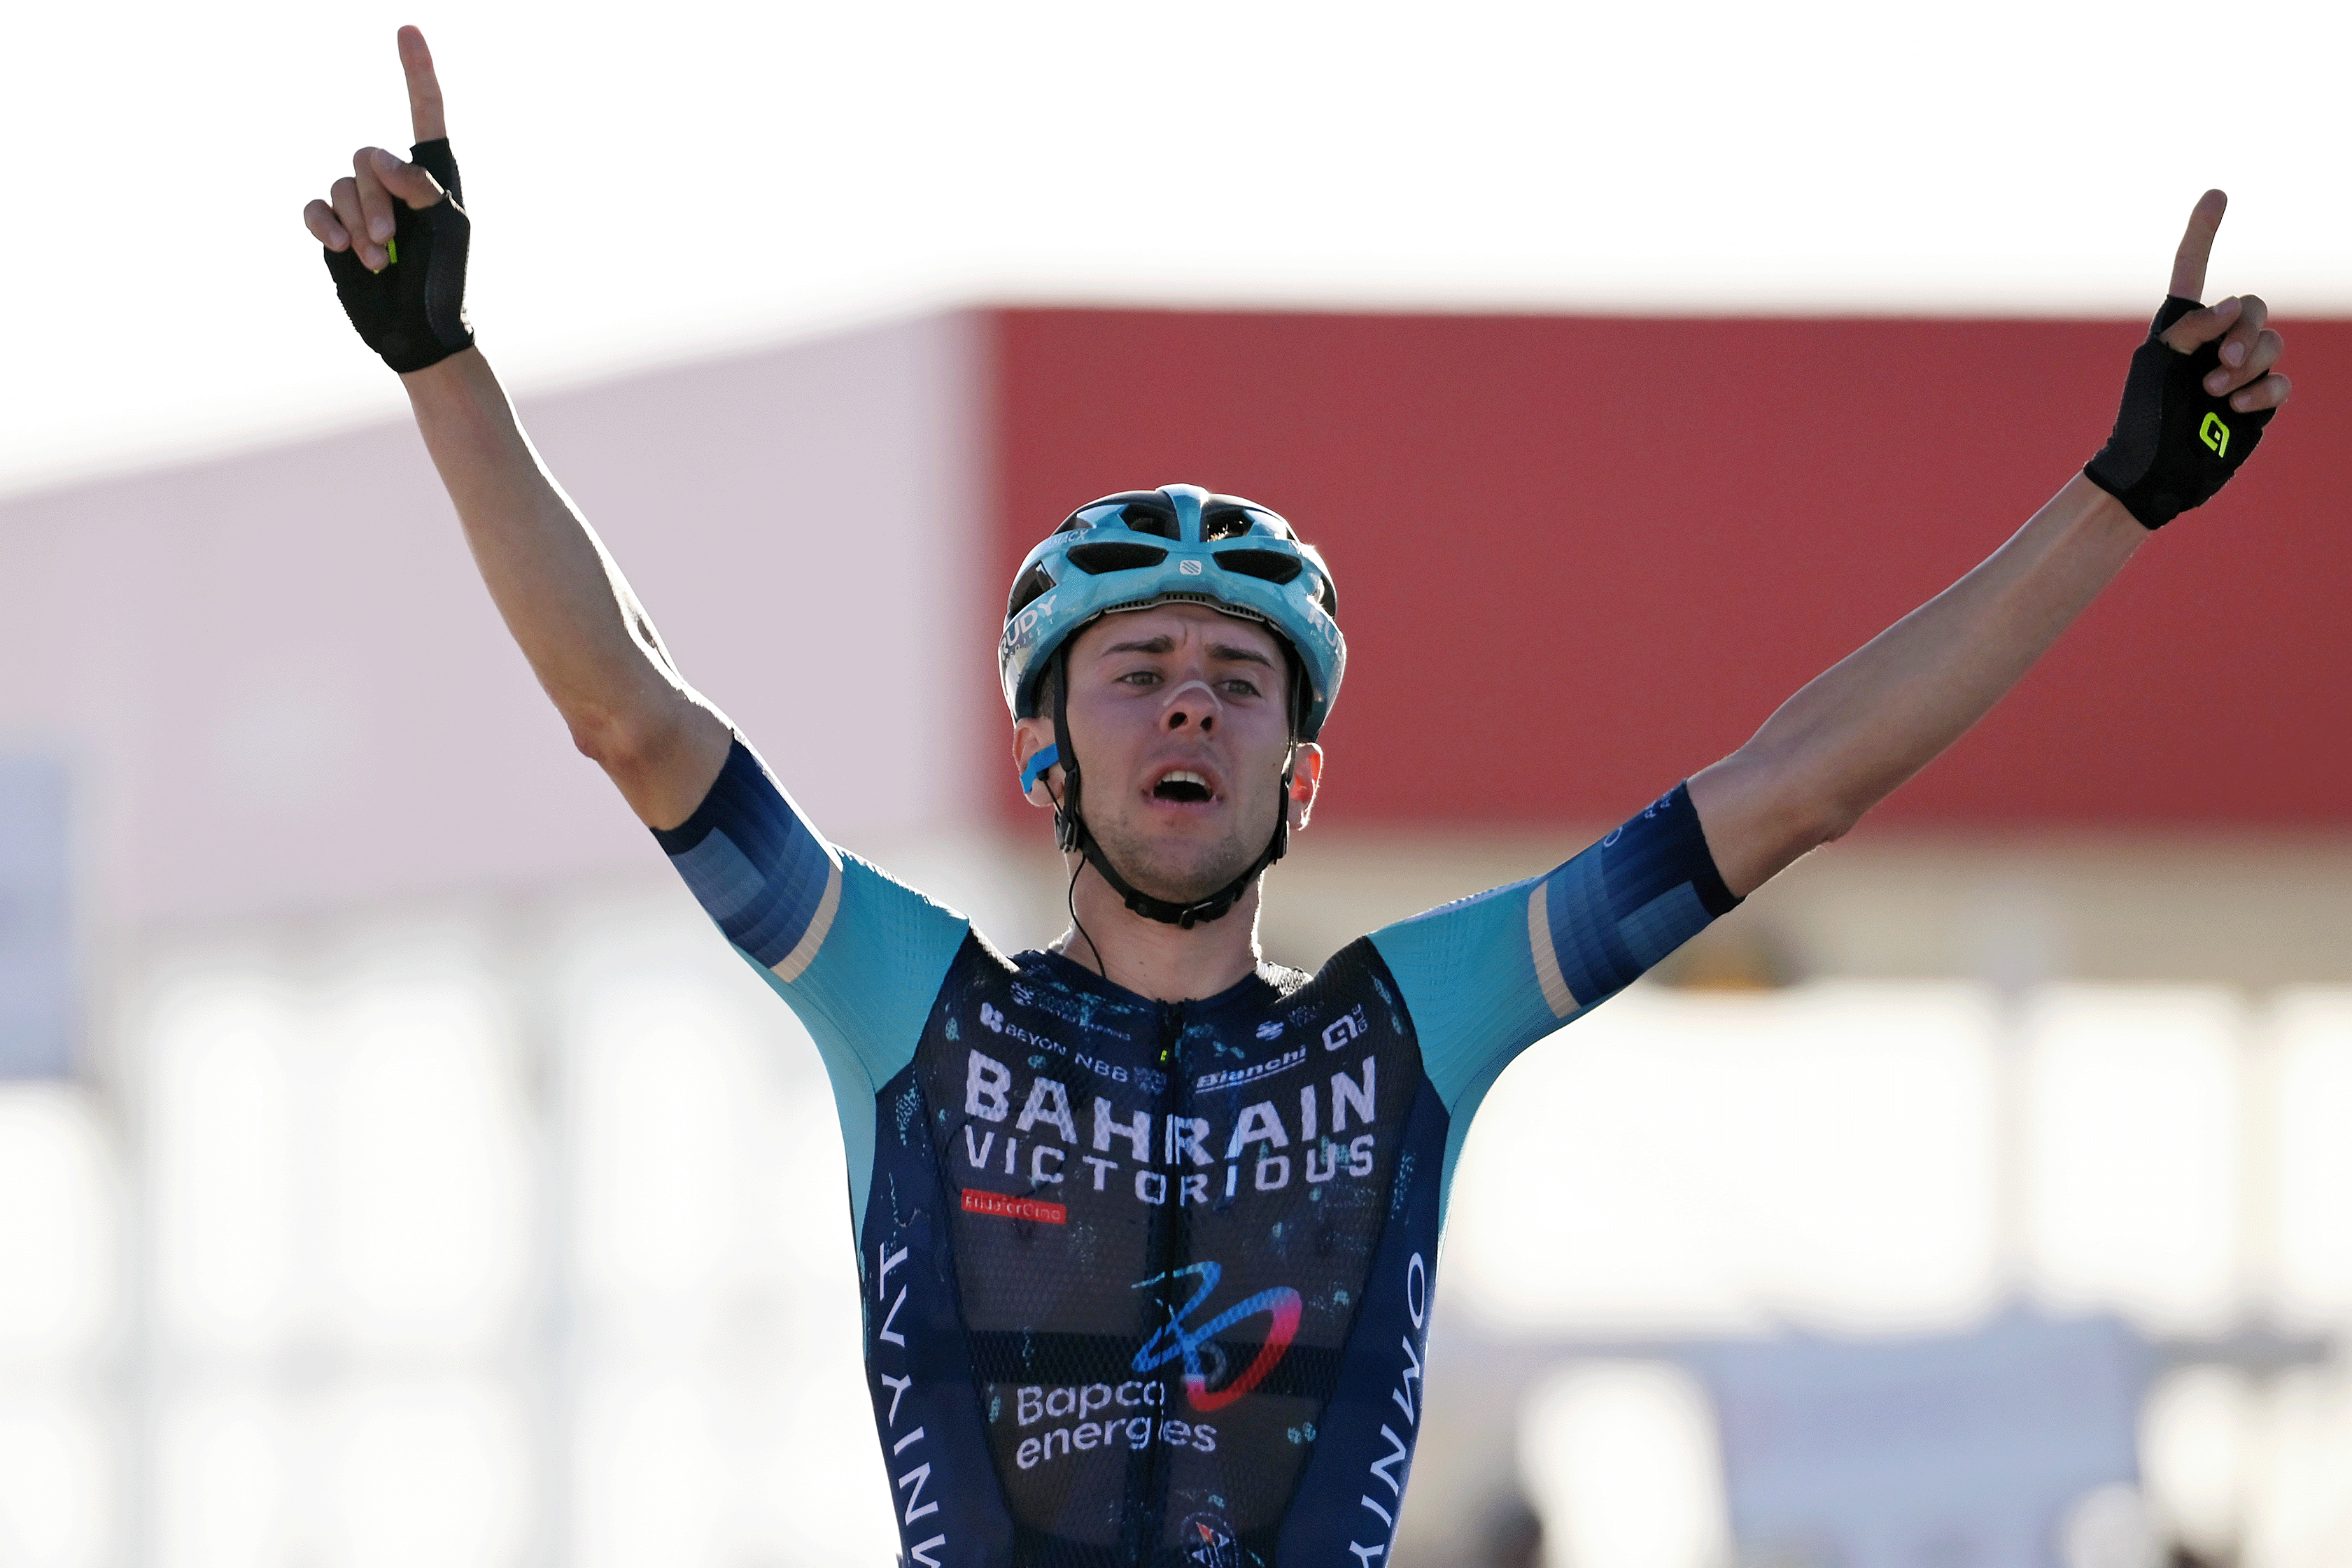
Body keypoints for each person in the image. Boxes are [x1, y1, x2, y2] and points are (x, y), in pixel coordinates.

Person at [302, 29, 2290, 1568]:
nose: (1190, 710)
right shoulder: (914, 1009)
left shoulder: (1414, 1026)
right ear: (1047, 750)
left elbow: (1793, 794)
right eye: (1139, 673)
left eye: (1238, 683)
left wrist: (2121, 498)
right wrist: (442, 360)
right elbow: (640, 724)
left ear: (1303, 770)